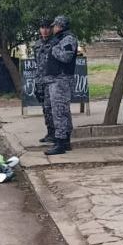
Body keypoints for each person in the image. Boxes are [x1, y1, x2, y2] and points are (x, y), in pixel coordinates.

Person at [44, 15, 78, 156]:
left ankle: (60, 143)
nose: (53, 28)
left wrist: (54, 49)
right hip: (56, 79)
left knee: (59, 112)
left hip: (61, 80)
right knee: (61, 111)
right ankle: (64, 141)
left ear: (61, 26)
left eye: (55, 26)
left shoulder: (68, 39)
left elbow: (66, 57)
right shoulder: (60, 39)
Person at [33, 18, 56, 144]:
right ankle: (50, 132)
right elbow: (37, 62)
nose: (45, 30)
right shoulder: (37, 44)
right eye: (42, 27)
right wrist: (37, 81)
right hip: (40, 80)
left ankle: (56, 134)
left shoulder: (55, 43)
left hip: (51, 81)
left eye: (47, 27)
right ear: (39, 29)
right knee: (44, 108)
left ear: (51, 29)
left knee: (51, 107)